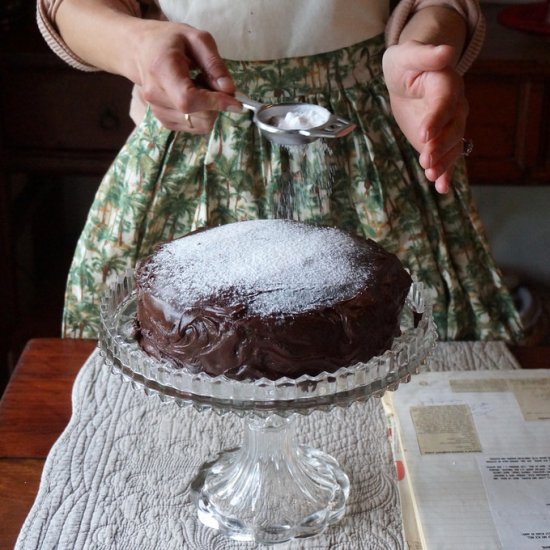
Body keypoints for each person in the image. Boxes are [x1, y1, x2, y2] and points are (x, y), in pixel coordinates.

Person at [37, 0, 523, 342]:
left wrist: (425, 46)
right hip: (192, 143)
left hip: (366, 145)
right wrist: (136, 44)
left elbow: (443, 4)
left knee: (398, 359)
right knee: (174, 362)